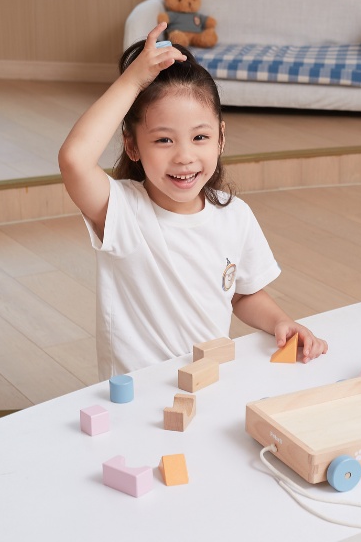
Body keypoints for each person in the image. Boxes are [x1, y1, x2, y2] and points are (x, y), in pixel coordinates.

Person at [59, 22, 328, 381]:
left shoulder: (235, 215)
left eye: (200, 137)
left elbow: (243, 295)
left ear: (220, 138)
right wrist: (133, 81)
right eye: (164, 140)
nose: (184, 157)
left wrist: (281, 321)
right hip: (137, 396)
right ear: (132, 145)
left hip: (209, 382)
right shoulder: (122, 211)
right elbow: (74, 159)